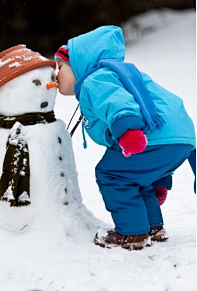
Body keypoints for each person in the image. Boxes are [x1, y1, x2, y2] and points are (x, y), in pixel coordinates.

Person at [54, 25, 196, 250]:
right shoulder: (118, 73)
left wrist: (128, 131)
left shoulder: (96, 79)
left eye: (60, 66)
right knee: (133, 176)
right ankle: (153, 227)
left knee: (112, 173)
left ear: (79, 63)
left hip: (152, 138)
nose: (55, 73)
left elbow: (116, 101)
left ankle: (132, 233)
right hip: (181, 137)